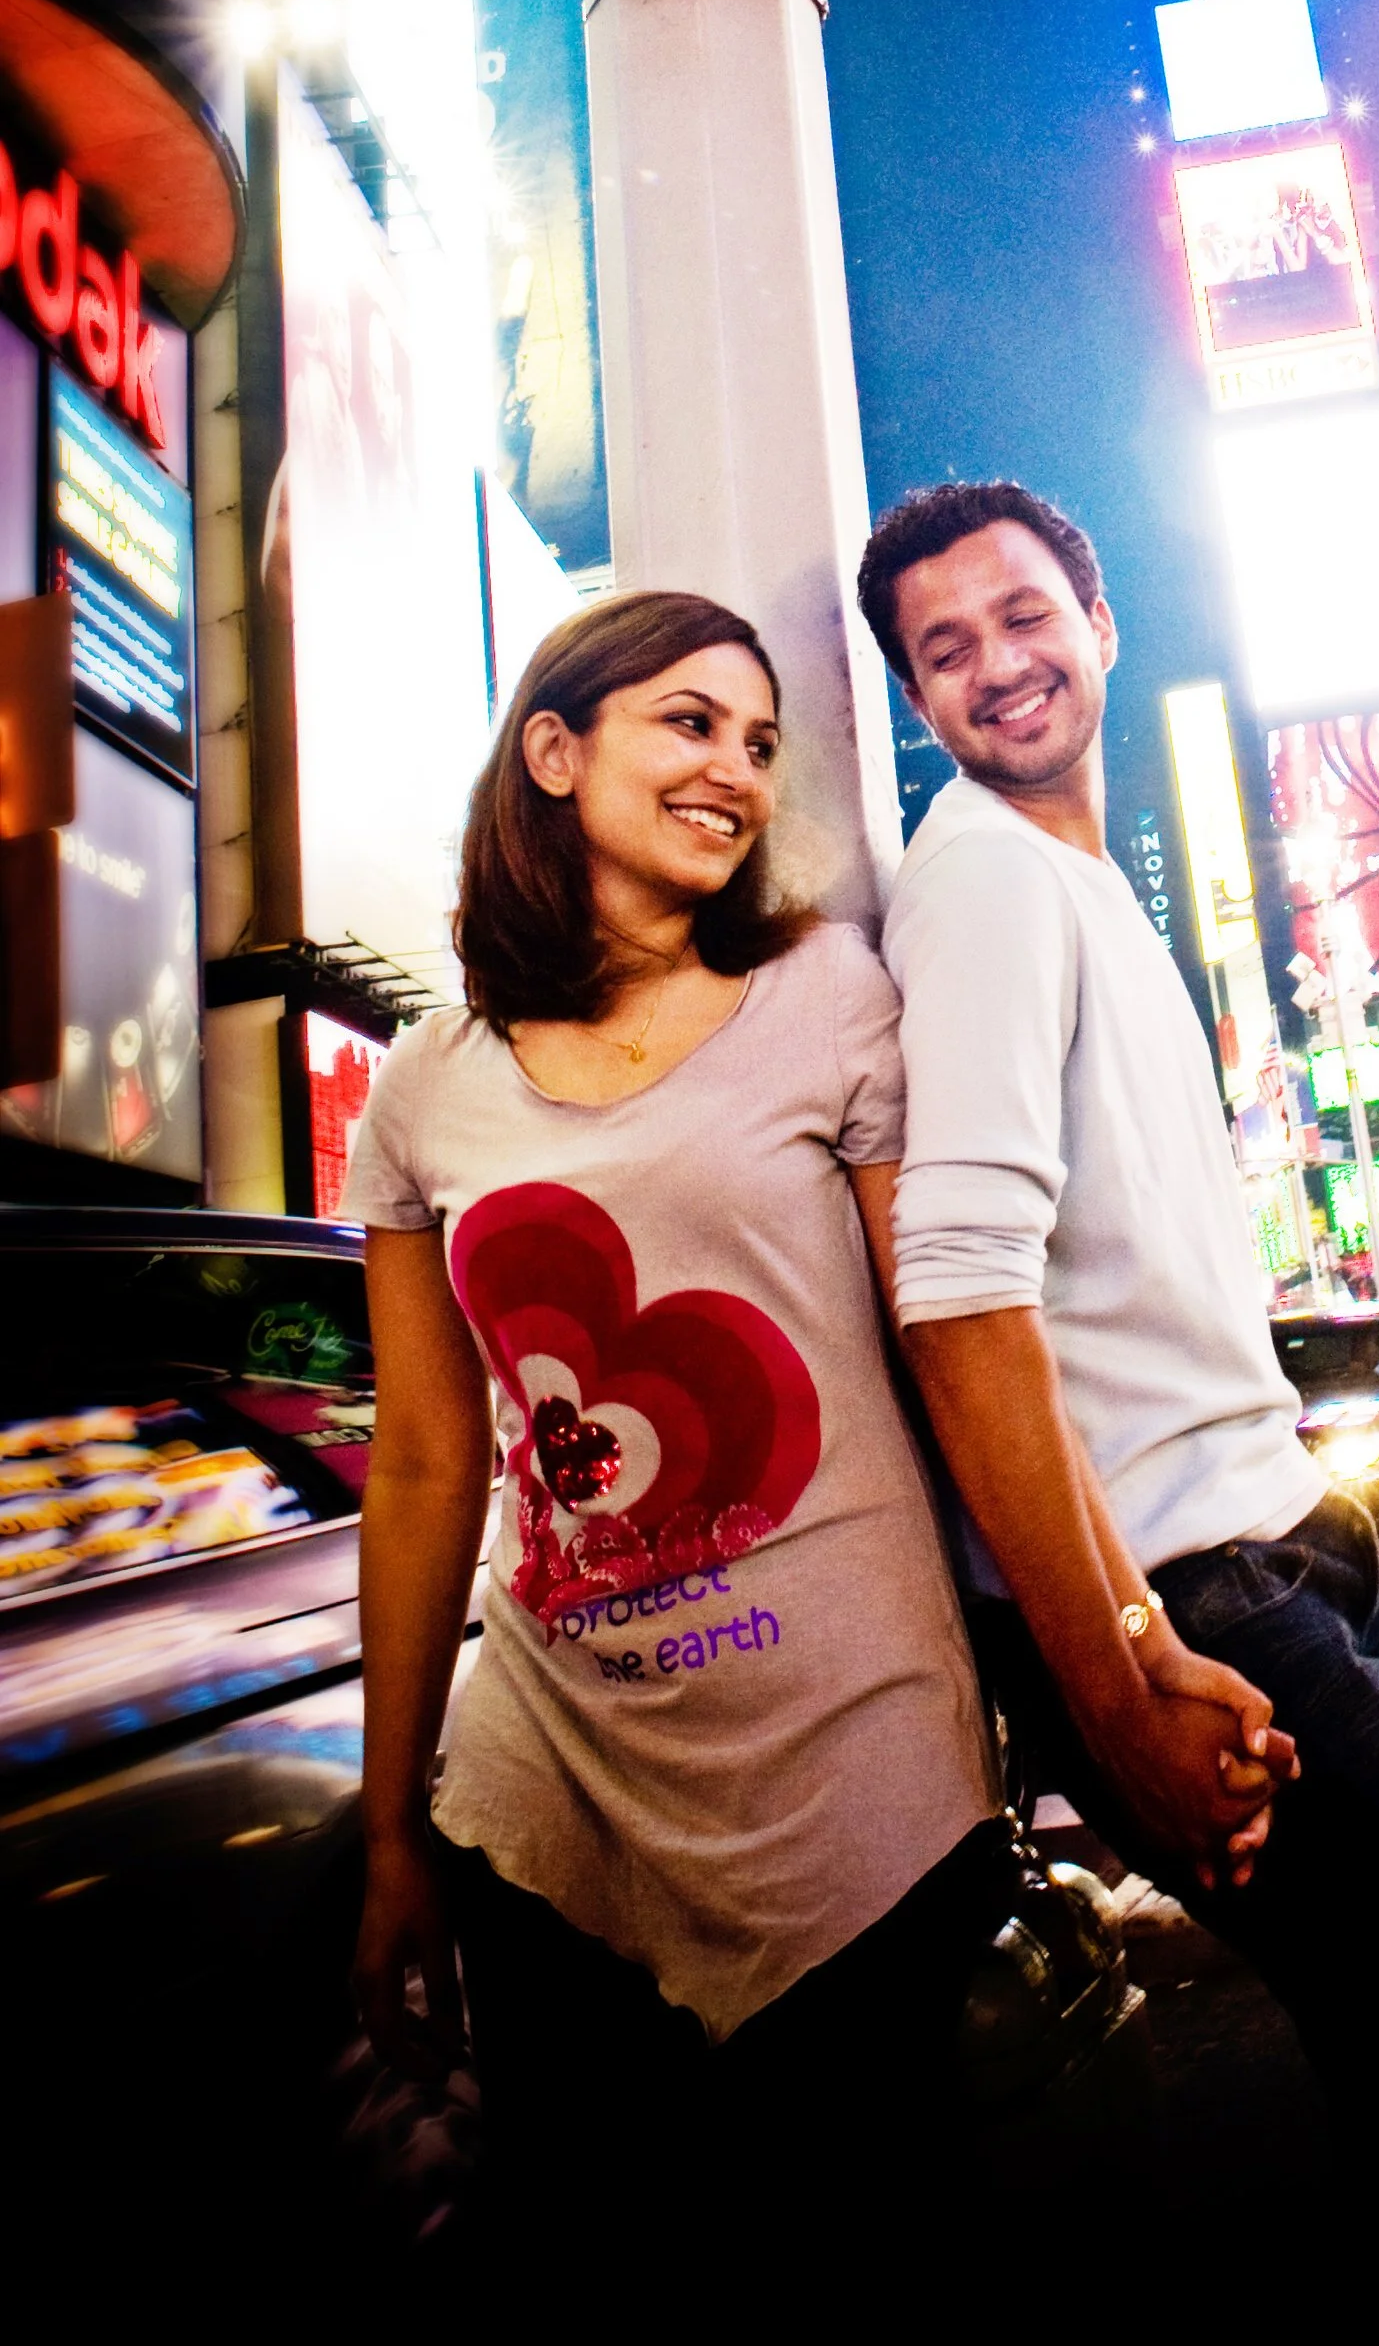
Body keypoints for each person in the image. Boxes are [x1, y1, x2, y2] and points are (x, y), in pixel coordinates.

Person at [858, 479, 1379, 2136]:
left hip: (1285, 1552)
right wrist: (1119, 1680)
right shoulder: (987, 885)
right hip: (1198, 1607)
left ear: (1100, 623)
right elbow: (954, 1300)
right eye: (944, 652)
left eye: (1023, 618)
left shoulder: (1075, 883)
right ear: (916, 702)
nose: (997, 667)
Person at [344, 590, 1020, 2208]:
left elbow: (959, 1343)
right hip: (551, 1796)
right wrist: (391, 1829)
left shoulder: (830, 993)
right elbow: (430, 1460)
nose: (736, 767)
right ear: (557, 750)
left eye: (762, 742)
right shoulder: (430, 1080)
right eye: (691, 721)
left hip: (859, 1777)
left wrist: (1109, 1660)